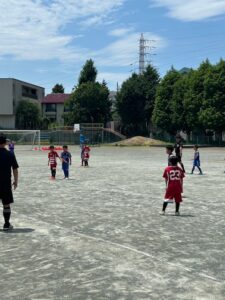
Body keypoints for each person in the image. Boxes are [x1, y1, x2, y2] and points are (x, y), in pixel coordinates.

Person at [0, 134, 19, 230]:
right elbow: (15, 169)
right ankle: (6, 224)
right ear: (5, 143)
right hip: (5, 183)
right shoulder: (10, 154)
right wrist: (16, 181)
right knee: (6, 204)